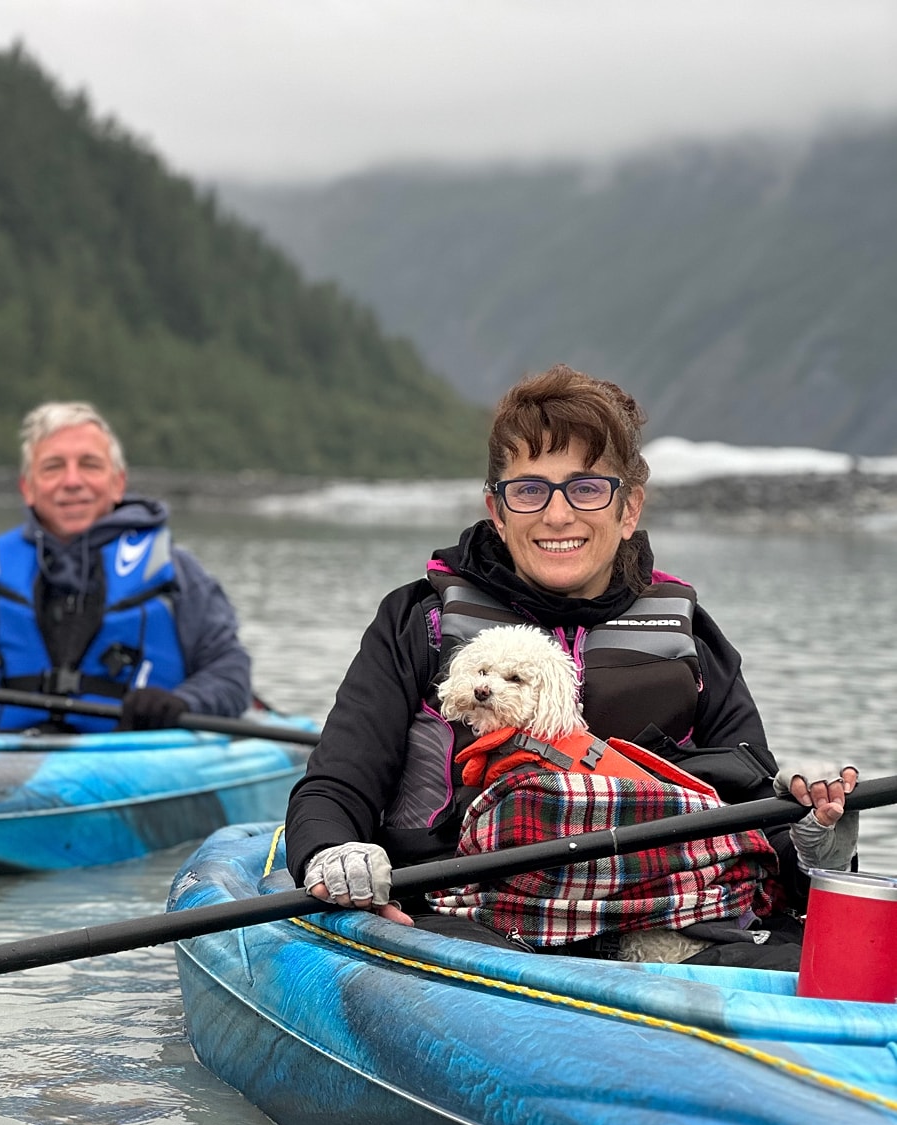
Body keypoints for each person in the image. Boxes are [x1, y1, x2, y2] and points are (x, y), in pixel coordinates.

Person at [285, 365, 856, 966]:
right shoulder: (417, 622)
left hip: (674, 921)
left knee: (794, 959)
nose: (558, 515)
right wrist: (332, 851)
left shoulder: (690, 636)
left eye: (587, 488)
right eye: (530, 489)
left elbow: (756, 820)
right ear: (498, 510)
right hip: (467, 920)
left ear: (629, 507)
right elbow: (335, 786)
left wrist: (814, 838)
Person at [0, 402, 251, 733]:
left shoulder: (180, 576)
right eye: (54, 467)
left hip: (126, 761)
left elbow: (231, 675)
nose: (72, 482)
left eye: (89, 464)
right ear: (28, 488)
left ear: (117, 482)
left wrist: (184, 702)